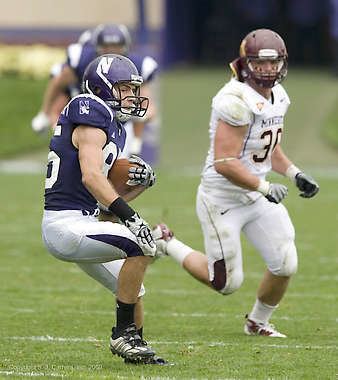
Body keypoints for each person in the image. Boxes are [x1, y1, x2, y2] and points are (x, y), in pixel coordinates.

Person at [156, 29, 319, 337]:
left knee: (285, 262)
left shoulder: (279, 96)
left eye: (274, 63)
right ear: (246, 63)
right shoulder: (233, 100)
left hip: (255, 194)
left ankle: (257, 322)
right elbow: (225, 162)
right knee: (226, 283)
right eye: (261, 63)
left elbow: (267, 148)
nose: (269, 69)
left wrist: (295, 173)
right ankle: (167, 243)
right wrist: (265, 187)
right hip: (222, 198)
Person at [41, 53, 167, 364]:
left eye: (133, 89)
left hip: (83, 223)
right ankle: (122, 335)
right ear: (103, 87)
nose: (133, 96)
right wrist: (132, 219)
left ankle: (136, 349)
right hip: (65, 225)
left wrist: (137, 186)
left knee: (134, 288)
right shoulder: (90, 109)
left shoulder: (114, 127)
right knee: (139, 245)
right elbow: (91, 176)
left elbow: (103, 200)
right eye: (125, 88)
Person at [31, 23, 159, 163]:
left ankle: (133, 145)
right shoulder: (82, 61)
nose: (111, 51)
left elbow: (147, 102)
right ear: (97, 46)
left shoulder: (134, 65)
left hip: (119, 124)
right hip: (87, 121)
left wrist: (143, 119)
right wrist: (44, 113)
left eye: (116, 46)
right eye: (107, 46)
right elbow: (57, 85)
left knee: (116, 171)